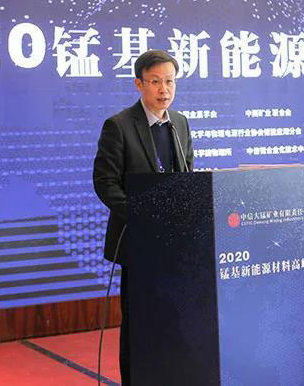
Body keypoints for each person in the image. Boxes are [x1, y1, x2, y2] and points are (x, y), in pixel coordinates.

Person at [92, 49, 193, 385]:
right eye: (155, 82)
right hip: (137, 242)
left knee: (173, 321)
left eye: (170, 81)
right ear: (139, 84)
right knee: (139, 324)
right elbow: (105, 183)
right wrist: (143, 216)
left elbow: (187, 176)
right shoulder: (119, 126)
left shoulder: (179, 123)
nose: (164, 89)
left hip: (175, 245)